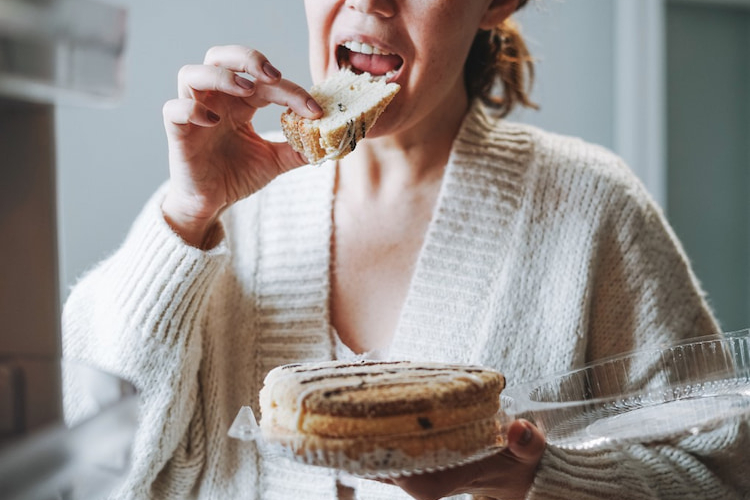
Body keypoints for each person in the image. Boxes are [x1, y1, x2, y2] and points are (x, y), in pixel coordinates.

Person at [61, 0, 749, 499]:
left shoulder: (592, 209)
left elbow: (720, 476)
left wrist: (538, 480)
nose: (368, 1)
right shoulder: (217, 212)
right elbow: (90, 463)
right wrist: (186, 214)